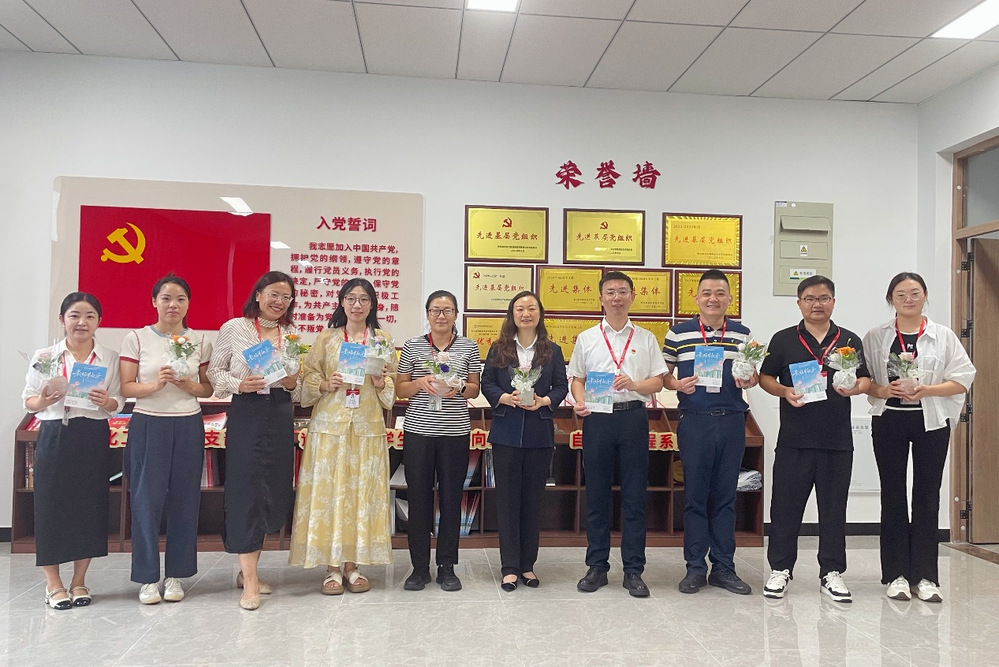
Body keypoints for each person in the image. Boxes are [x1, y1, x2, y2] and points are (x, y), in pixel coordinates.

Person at [863, 272, 975, 603]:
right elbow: (865, 381)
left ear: (925, 295)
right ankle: (896, 574)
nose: (908, 299)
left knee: (927, 495)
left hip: (931, 422)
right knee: (892, 494)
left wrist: (927, 390)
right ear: (891, 299)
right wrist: (884, 390)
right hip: (889, 420)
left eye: (915, 293)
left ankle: (926, 576)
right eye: (901, 294)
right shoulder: (877, 336)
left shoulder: (943, 335)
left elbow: (963, 378)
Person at [759, 275, 871, 602]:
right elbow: (765, 377)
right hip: (794, 439)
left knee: (834, 509)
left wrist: (855, 389)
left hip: (837, 440)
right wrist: (784, 391)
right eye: (809, 298)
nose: (816, 304)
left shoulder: (848, 340)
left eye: (823, 298)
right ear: (799, 303)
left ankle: (832, 572)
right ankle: (780, 569)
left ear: (833, 302)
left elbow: (865, 379)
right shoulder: (783, 339)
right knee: (785, 507)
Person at [289, 278, 397, 594]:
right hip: (330, 428)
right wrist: (326, 383)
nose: (357, 305)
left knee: (360, 494)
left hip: (366, 428)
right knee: (330, 493)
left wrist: (380, 382)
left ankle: (353, 566)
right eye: (351, 298)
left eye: (364, 299)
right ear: (342, 302)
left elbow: (391, 387)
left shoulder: (382, 340)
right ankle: (332, 568)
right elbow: (308, 379)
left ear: (372, 304)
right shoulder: (327, 339)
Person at [567, 271, 667, 598]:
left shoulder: (646, 338)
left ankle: (633, 570)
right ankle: (597, 566)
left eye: (623, 291)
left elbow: (658, 381)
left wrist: (635, 384)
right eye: (610, 292)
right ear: (601, 299)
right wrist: (580, 401)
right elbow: (577, 378)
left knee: (635, 495)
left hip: (633, 418)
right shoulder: (587, 337)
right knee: (597, 494)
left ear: (632, 296)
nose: (616, 297)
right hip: (598, 419)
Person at [207, 271, 301, 610]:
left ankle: (249, 571)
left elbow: (298, 388)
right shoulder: (235, 328)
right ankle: (249, 581)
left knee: (270, 490)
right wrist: (239, 384)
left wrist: (291, 382)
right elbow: (214, 372)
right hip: (247, 410)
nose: (279, 301)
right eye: (273, 294)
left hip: (279, 413)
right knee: (246, 489)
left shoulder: (292, 335)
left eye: (286, 297)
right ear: (258, 294)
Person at [23, 292, 122, 610]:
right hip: (55, 433)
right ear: (62, 319)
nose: (82, 322)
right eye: (75, 315)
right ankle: (53, 584)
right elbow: (29, 399)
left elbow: (117, 400)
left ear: (99, 321)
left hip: (92, 433)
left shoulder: (109, 356)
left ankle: (79, 581)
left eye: (90, 316)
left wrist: (106, 401)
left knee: (89, 505)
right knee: (50, 505)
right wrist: (43, 400)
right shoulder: (47, 356)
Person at [120, 274, 214, 605]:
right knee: (145, 501)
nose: (173, 304)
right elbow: (126, 387)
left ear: (188, 304)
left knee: (185, 500)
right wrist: (154, 385)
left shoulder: (200, 341)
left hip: (188, 423)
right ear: (154, 302)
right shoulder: (137, 338)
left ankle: (176, 574)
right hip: (149, 423)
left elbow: (208, 388)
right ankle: (147, 577)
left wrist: (190, 386)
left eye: (180, 299)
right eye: (166, 298)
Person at [662, 269, 756, 596]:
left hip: (732, 419)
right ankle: (695, 568)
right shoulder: (678, 333)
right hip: (695, 420)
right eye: (706, 293)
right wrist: (676, 384)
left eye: (719, 293)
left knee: (726, 497)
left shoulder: (742, 334)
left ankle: (724, 567)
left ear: (730, 298)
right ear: (696, 298)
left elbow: (752, 376)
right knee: (695, 497)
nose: (713, 299)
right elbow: (663, 376)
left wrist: (751, 379)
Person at [481, 291, 568, 592]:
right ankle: (509, 568)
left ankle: (528, 565)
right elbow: (487, 383)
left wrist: (545, 400)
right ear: (512, 314)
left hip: (538, 434)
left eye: (531, 308)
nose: (526, 313)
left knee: (533, 501)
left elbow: (561, 386)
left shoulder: (552, 350)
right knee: (507, 501)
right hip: (506, 432)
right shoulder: (499, 348)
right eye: (520, 309)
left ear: (540, 314)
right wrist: (505, 397)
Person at [395, 290, 481, 592]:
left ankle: (447, 566)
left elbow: (475, 388)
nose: (441, 316)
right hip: (419, 432)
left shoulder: (469, 346)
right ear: (427, 314)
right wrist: (419, 382)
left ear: (456, 314)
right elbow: (401, 389)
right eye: (435, 310)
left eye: (447, 310)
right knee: (418, 498)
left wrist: (459, 387)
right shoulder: (413, 346)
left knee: (451, 499)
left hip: (455, 433)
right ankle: (419, 567)